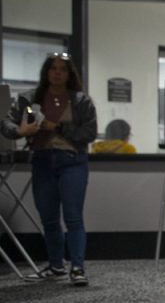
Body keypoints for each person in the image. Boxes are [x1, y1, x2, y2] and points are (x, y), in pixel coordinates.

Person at [1, 53, 97, 285]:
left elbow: (89, 134)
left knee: (73, 217)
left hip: (72, 161)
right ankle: (56, 265)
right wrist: (21, 132)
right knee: (49, 218)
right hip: (43, 160)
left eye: (62, 69)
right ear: (46, 72)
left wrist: (59, 127)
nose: (57, 73)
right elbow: (6, 123)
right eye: (53, 68)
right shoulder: (29, 98)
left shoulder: (81, 101)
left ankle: (77, 267)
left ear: (69, 73)